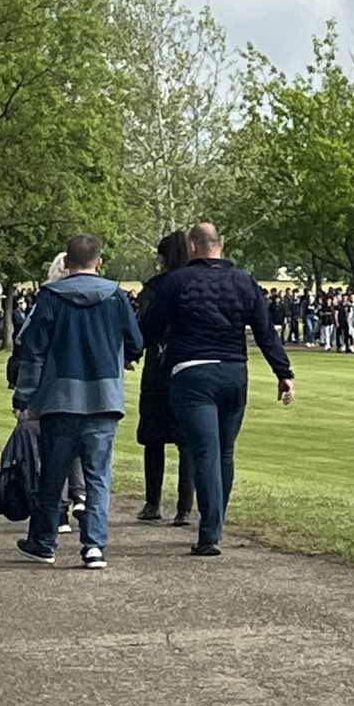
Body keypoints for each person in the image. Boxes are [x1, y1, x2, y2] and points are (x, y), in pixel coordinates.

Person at [140, 223, 296, 557]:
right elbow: (265, 332)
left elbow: (151, 327)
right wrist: (283, 372)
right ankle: (216, 523)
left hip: (193, 372)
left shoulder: (177, 281)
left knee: (206, 452)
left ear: (194, 246)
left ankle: (210, 533)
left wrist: (131, 351)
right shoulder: (243, 281)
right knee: (225, 452)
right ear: (221, 245)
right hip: (234, 371)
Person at [11, 234, 144, 569]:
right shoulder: (116, 296)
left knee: (53, 474)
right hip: (105, 396)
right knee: (98, 475)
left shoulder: (51, 297)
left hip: (60, 397)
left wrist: (24, 395)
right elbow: (135, 341)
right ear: (99, 262)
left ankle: (44, 541)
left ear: (67, 263)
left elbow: (33, 351)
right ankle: (94, 545)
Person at [135, 231, 195, 525]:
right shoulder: (196, 285)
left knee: (154, 438)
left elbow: (144, 327)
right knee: (187, 441)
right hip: (188, 363)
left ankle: (153, 502)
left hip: (159, 366)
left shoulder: (156, 287)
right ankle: (184, 507)